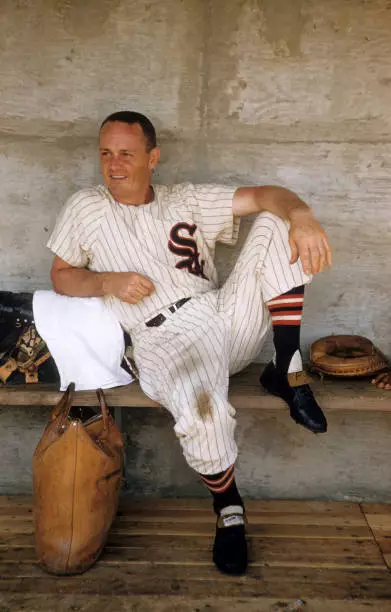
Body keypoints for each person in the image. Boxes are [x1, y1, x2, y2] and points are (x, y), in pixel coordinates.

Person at [48, 110, 332, 576]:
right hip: (164, 338)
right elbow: (61, 277)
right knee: (204, 413)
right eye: (105, 153)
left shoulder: (187, 199)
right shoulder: (86, 207)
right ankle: (230, 510)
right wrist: (108, 281)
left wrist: (300, 215)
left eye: (126, 153)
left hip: (222, 315)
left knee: (276, 223)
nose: (113, 164)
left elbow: (265, 195)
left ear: (152, 157)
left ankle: (287, 365)